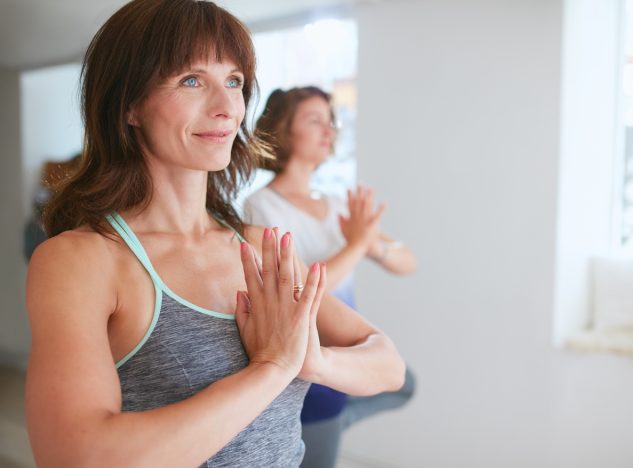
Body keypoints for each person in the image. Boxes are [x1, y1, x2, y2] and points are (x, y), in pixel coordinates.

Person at [24, 2, 406, 467]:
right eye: (191, 80)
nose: (227, 108)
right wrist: (271, 369)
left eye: (234, 82)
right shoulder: (82, 260)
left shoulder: (263, 247)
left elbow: (388, 363)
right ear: (129, 105)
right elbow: (75, 456)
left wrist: (313, 362)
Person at [243, 86, 417, 468]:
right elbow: (304, 292)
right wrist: (356, 244)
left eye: (331, 122)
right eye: (314, 120)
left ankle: (337, 425)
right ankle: (331, 427)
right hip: (307, 361)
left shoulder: (336, 205)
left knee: (407, 384)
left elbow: (407, 262)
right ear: (284, 131)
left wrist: (371, 245)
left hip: (345, 352)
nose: (328, 131)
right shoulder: (261, 208)